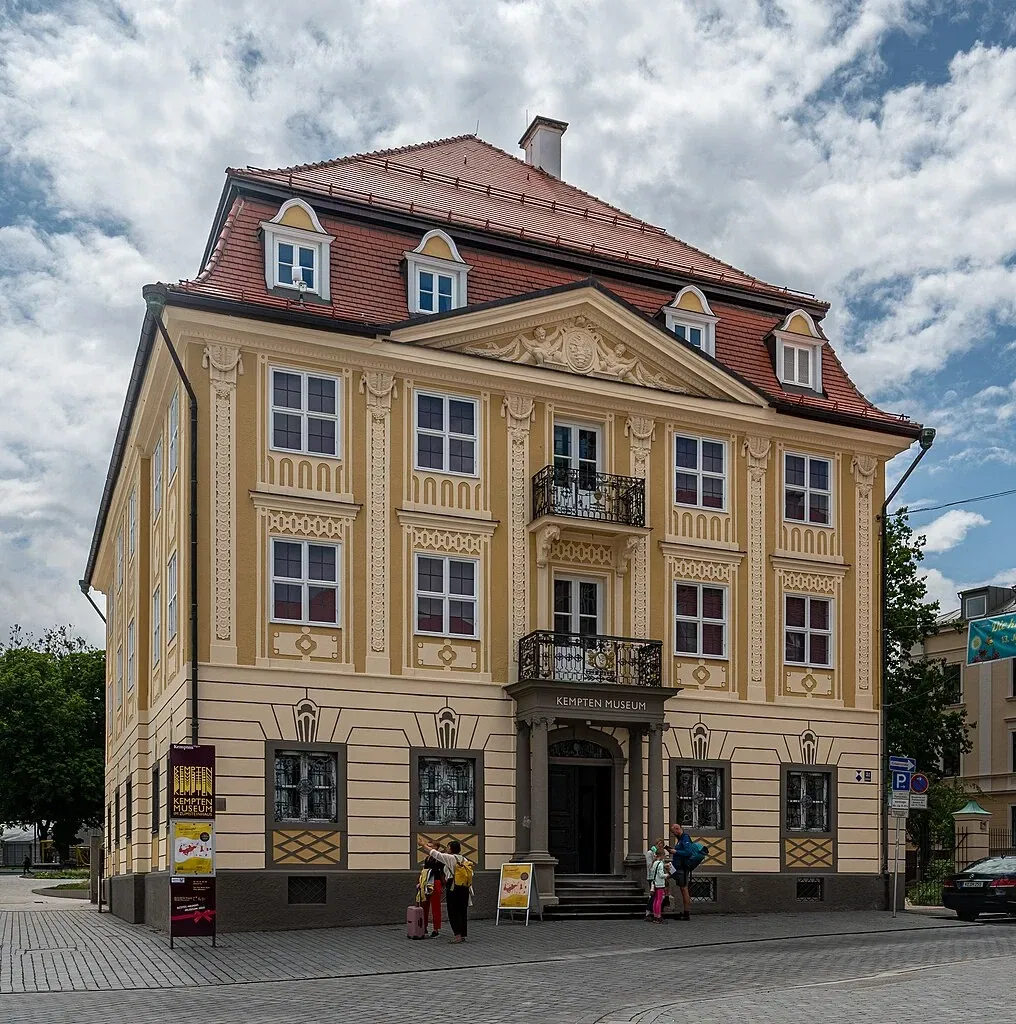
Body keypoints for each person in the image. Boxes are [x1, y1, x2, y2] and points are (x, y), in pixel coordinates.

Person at [421, 839, 471, 943]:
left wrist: (423, 845)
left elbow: (435, 854)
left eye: (448, 847)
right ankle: (462, 935)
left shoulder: (450, 858)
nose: (446, 848)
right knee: (462, 911)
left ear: (451, 849)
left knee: (453, 911)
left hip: (453, 886)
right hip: (464, 887)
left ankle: (457, 936)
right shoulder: (464, 859)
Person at [416, 845, 446, 938]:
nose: (426, 848)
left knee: (435, 906)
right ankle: (424, 926)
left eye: (429, 846)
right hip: (426, 882)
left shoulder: (439, 858)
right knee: (424, 904)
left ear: (436, 848)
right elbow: (424, 872)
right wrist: (420, 882)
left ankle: (436, 929)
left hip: (436, 882)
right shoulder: (427, 858)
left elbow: (442, 871)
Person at [669, 822, 694, 921]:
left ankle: (686, 913)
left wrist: (676, 851)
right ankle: (685, 912)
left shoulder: (685, 838)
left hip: (683, 868)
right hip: (678, 868)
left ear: (677, 829)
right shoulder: (680, 839)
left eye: (673, 832)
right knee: (682, 889)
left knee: (684, 889)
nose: (673, 834)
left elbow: (688, 852)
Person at [649, 847, 669, 923]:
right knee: (659, 900)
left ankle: (655, 916)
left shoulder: (654, 863)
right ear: (661, 855)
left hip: (654, 883)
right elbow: (661, 875)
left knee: (655, 900)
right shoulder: (660, 864)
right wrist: (667, 875)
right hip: (660, 884)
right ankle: (658, 916)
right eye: (664, 855)